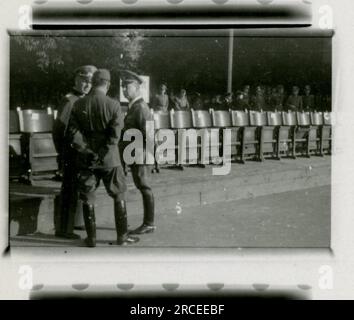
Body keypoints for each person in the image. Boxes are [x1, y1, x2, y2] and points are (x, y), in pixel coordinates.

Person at [67, 69, 139, 247]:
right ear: (107, 84)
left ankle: (91, 239)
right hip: (110, 160)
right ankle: (122, 237)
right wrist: (102, 153)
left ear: (93, 83)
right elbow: (115, 136)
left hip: (87, 160)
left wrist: (87, 151)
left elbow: (73, 133)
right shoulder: (113, 105)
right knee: (118, 194)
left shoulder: (78, 104)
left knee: (88, 196)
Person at [52, 65, 97, 239]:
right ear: (76, 80)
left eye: (90, 82)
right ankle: (63, 229)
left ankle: (74, 223)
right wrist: (62, 153)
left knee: (79, 189)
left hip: (82, 153)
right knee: (69, 190)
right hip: (70, 153)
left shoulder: (88, 99)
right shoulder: (69, 100)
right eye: (84, 80)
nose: (87, 85)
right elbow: (58, 129)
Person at [120, 70, 156, 235]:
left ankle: (149, 223)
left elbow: (149, 134)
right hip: (135, 153)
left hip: (140, 154)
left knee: (144, 185)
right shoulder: (134, 106)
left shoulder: (140, 107)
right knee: (142, 186)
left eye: (126, 87)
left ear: (136, 88)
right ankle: (149, 222)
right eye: (123, 86)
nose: (124, 90)